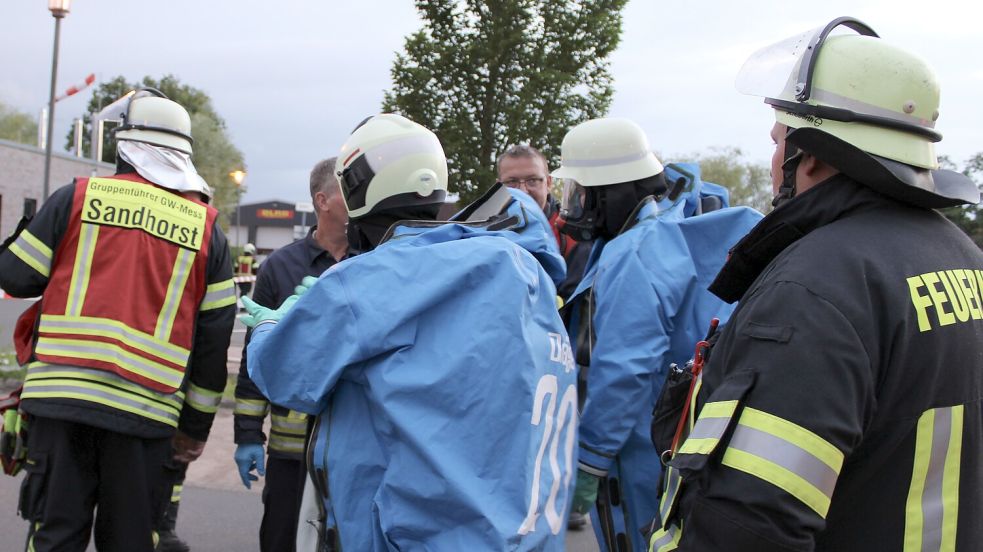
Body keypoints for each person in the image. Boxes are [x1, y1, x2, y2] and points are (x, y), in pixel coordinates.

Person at [651, 18, 983, 552]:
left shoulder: (814, 290)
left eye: (780, 139)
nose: (774, 157)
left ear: (815, 154)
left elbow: (748, 527)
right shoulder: (963, 257)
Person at [242, 113, 576, 550]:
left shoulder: (368, 279)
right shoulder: (521, 271)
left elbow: (283, 372)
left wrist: (271, 324)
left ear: (357, 187)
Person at [0, 88, 235, 552]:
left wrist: (32, 224)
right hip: (145, 418)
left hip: (61, 405)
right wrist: (194, 431)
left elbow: (15, 275)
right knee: (129, 541)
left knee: (55, 536)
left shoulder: (78, 198)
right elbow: (213, 345)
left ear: (123, 146)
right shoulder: (207, 230)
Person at [555, 117, 762, 551]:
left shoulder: (633, 251)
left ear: (609, 193)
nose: (571, 207)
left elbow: (625, 368)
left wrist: (591, 461)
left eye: (581, 193)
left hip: (640, 448)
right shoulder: (675, 227)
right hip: (686, 436)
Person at [232, 157, 351, 552]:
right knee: (282, 540)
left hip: (354, 450)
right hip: (291, 453)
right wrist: (248, 434)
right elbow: (255, 360)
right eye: (347, 193)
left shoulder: (373, 262)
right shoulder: (280, 267)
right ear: (323, 201)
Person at [497, 144, 590, 302]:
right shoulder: (480, 231)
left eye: (532, 180)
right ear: (498, 187)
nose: (522, 191)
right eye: (511, 182)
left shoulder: (574, 235)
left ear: (548, 183)